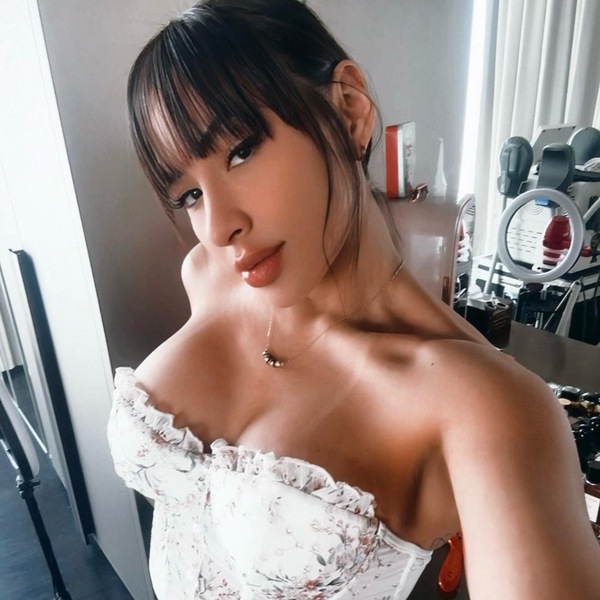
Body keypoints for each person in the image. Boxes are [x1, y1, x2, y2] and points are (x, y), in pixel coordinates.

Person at [107, 1, 600, 598]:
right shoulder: (208, 275)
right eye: (188, 194)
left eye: (240, 151)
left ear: (348, 109)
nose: (217, 227)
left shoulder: (484, 407)